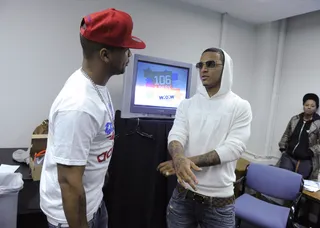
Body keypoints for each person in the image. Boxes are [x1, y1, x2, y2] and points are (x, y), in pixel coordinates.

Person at [39, 8, 145, 228]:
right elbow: (68, 183)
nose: (129, 56)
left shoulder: (98, 87)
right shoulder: (79, 106)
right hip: (72, 217)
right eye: (126, 50)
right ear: (105, 55)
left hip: (92, 202)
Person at [157, 48, 252, 228]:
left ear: (226, 69)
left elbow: (234, 148)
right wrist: (178, 157)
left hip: (218, 203)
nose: (203, 69)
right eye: (200, 65)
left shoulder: (240, 106)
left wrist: (184, 162)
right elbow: (176, 134)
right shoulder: (187, 104)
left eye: (210, 64)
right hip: (182, 196)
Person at [278, 93, 320, 179]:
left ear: (316, 108)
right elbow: (286, 134)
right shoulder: (295, 119)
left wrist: (311, 152)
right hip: (289, 157)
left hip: (306, 160)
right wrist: (282, 148)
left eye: (312, 106)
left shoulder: (318, 123)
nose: (309, 107)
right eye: (307, 105)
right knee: (283, 179)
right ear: (303, 105)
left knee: (299, 184)